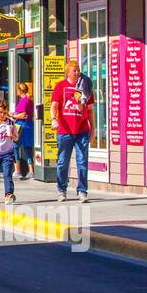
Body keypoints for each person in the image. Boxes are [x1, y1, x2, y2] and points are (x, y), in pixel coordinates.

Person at [50, 61, 92, 203]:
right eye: (74, 70)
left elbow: (90, 110)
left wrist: (93, 129)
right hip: (65, 130)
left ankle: (82, 191)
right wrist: (53, 119)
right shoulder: (60, 86)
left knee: (82, 161)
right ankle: (61, 190)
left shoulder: (85, 86)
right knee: (62, 162)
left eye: (78, 70)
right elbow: (54, 105)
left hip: (82, 130)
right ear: (68, 72)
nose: (77, 72)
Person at [0, 99, 20, 204]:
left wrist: (12, 134)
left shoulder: (11, 122)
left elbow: (16, 139)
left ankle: (8, 194)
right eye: (0, 112)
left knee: (7, 174)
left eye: (5, 113)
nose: (2, 114)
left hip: (7, 153)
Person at [11, 81, 35, 181]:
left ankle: (17, 170)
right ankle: (31, 171)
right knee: (27, 148)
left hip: (21, 126)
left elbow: (22, 115)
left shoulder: (23, 101)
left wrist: (12, 115)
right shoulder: (30, 100)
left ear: (20, 91)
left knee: (15, 147)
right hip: (29, 125)